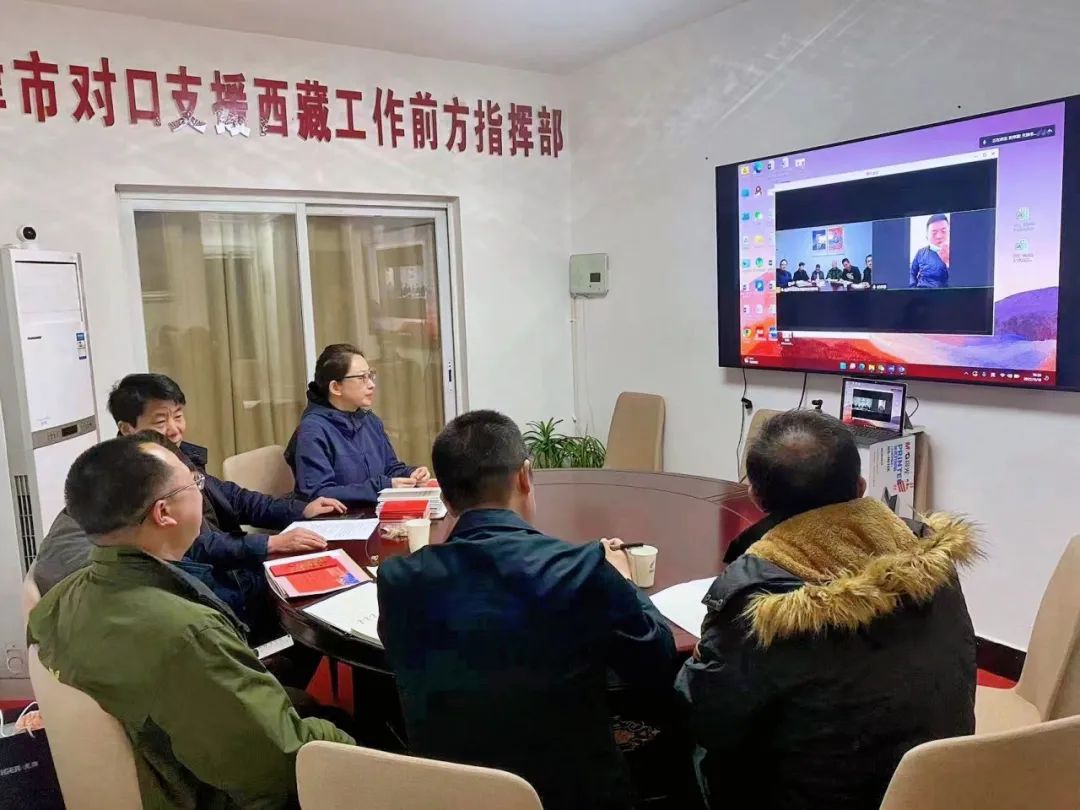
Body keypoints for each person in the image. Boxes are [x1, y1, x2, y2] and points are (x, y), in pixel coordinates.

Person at [28, 434, 354, 808]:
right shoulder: (188, 634)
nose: (201, 491)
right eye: (195, 483)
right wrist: (354, 745)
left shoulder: (56, 601)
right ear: (164, 513)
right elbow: (282, 770)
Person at [677, 410, 978, 810]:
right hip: (937, 785)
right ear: (861, 486)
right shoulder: (926, 553)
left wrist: (701, 659)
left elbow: (707, 713)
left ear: (756, 498)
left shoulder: (763, 602)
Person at [377, 410, 677, 810]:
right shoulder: (583, 569)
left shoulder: (399, 579)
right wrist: (621, 578)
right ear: (525, 476)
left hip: (450, 795)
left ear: (445, 499)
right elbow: (657, 658)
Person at [35, 374, 342, 616]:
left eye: (178, 416)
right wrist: (270, 543)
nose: (174, 429)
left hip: (217, 572)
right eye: (160, 421)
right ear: (127, 428)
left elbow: (233, 498)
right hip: (202, 585)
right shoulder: (127, 480)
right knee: (314, 592)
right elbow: (193, 544)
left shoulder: (173, 456)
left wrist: (299, 510)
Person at [286, 343, 429, 506]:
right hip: (342, 519)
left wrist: (410, 474)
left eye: (370, 375)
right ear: (335, 387)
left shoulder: (370, 421)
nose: (371, 384)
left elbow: (390, 468)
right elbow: (319, 495)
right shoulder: (312, 430)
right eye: (362, 378)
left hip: (376, 512)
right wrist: (381, 487)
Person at [911, 213, 951, 288]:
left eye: (943, 231)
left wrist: (948, 262)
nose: (939, 236)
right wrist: (913, 289)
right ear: (927, 235)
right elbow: (912, 274)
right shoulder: (921, 253)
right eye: (934, 232)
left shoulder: (957, 253)